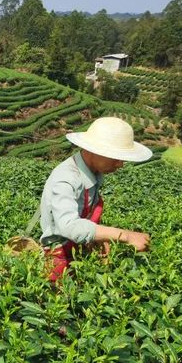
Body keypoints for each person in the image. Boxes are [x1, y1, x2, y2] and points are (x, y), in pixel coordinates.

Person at [40, 117, 152, 282]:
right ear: (94, 150)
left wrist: (100, 238)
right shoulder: (66, 179)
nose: (120, 164)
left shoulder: (94, 172)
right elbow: (69, 226)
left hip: (77, 252)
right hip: (59, 257)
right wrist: (125, 236)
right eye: (116, 157)